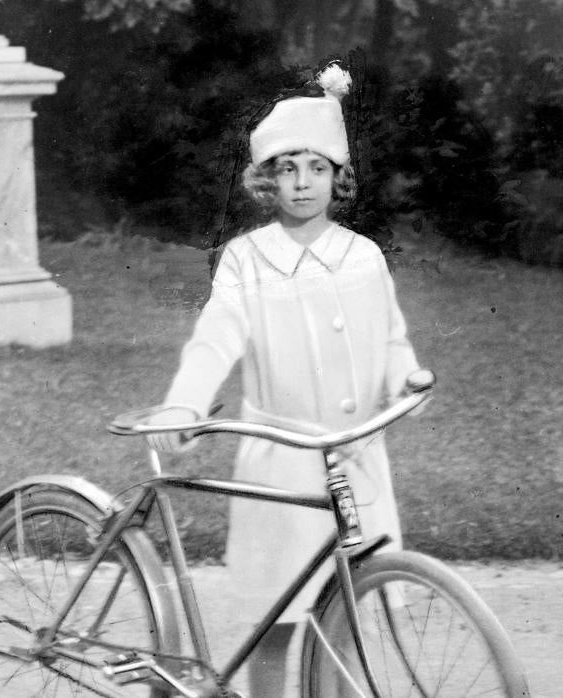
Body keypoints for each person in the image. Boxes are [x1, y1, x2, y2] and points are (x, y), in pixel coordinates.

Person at [145, 64, 423, 696]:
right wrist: (184, 404)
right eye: (288, 169)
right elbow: (215, 340)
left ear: (338, 178)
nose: (303, 184)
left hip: (356, 462)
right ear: (266, 180)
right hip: (283, 465)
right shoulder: (248, 258)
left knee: (349, 618)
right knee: (276, 621)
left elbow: (390, 338)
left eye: (318, 169)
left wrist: (406, 379)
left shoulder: (364, 258)